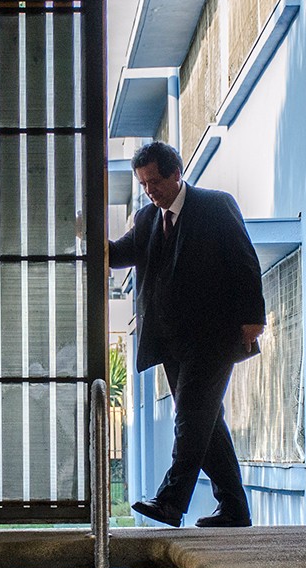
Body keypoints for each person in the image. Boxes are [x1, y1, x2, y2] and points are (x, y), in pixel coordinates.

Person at [109, 141, 265, 528]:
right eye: (143, 184)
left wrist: (253, 317)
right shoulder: (146, 220)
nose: (149, 190)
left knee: (190, 416)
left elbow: (245, 260)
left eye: (155, 181)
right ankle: (234, 508)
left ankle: (170, 501)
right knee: (207, 425)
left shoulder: (215, 205)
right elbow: (118, 254)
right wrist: (85, 234)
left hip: (215, 336)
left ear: (176, 173)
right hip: (172, 343)